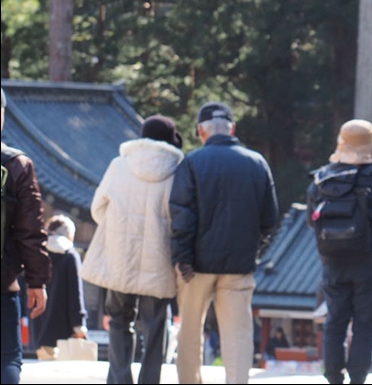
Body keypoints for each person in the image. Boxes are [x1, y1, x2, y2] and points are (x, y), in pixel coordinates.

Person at [170, 102, 278, 385]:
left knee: (190, 333)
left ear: (200, 131)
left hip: (196, 265)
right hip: (239, 266)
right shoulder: (257, 163)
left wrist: (182, 257)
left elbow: (181, 216)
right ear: (233, 129)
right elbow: (270, 219)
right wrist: (254, 251)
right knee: (238, 334)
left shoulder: (192, 162)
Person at [81, 115, 184, 384]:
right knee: (154, 327)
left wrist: (117, 229)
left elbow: (97, 208)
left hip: (120, 256)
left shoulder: (120, 164)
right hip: (158, 259)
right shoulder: (178, 169)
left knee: (118, 321)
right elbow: (182, 217)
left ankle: (119, 379)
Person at [308, 119, 372, 385]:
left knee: (335, 321)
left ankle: (333, 378)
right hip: (370, 260)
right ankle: (358, 379)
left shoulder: (324, 175)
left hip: (333, 260)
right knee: (365, 324)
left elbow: (311, 219)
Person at [1, 87, 51, 385]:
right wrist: (37, 281)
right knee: (6, 357)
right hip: (2, 282)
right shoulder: (15, 164)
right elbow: (30, 231)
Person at [33, 215, 86, 360]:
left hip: (39, 329)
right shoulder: (70, 255)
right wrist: (79, 325)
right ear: (69, 235)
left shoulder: (38, 252)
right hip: (64, 334)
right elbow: (76, 293)